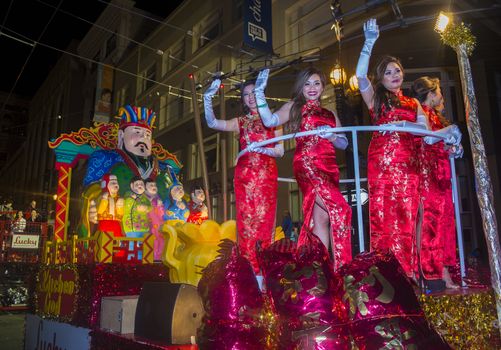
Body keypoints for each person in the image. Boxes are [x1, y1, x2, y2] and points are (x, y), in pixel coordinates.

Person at [255, 67, 352, 269]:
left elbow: (344, 143)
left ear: (323, 87)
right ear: (301, 88)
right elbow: (269, 120)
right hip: (308, 165)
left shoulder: (330, 112)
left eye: (316, 83)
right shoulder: (295, 107)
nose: (312, 88)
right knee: (341, 210)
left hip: (330, 168)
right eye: (307, 84)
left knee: (322, 219)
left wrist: (332, 136)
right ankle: (344, 269)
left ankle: (319, 270)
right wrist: (259, 94)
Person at [355, 18, 430, 278]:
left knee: (407, 217)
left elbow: (425, 131)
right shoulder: (376, 100)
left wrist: (401, 124)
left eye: (396, 70)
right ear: (381, 78)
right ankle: (384, 276)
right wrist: (369, 42)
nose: (394, 75)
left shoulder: (413, 104)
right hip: (382, 165)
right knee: (382, 217)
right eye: (387, 72)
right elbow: (359, 76)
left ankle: (406, 275)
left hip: (408, 167)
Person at [203, 77, 284, 273]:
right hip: (245, 176)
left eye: (253, 93)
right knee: (246, 225)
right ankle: (248, 274)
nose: (250, 97)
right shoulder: (240, 122)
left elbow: (280, 151)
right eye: (246, 94)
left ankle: (263, 273)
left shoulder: (275, 120)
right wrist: (207, 99)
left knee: (265, 222)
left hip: (266, 174)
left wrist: (264, 150)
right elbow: (213, 123)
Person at [412, 76, 462, 289]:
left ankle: (442, 271)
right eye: (439, 92)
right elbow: (426, 139)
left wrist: (452, 149)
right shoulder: (421, 113)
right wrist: (449, 132)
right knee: (430, 225)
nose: (442, 96)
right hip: (427, 175)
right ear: (431, 94)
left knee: (443, 225)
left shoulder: (437, 116)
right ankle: (430, 273)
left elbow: (437, 146)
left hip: (441, 176)